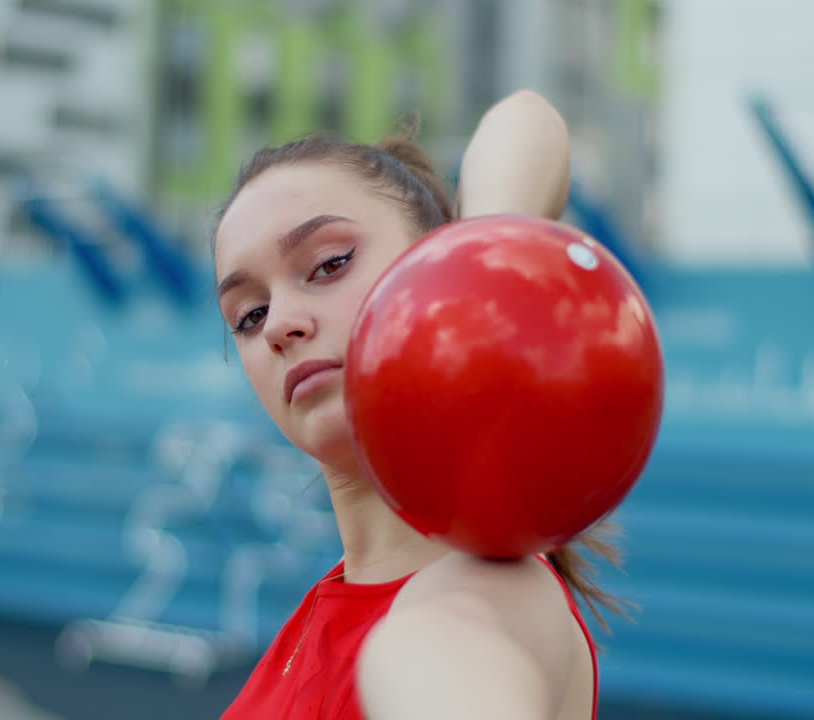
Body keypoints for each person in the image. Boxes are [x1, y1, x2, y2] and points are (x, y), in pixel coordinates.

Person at [213, 90, 623, 720]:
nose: (279, 325)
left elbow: (527, 116)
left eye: (329, 264)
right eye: (249, 314)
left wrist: (470, 279)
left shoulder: (492, 598)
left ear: (435, 265)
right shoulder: (325, 611)